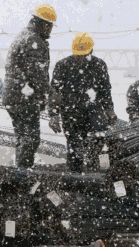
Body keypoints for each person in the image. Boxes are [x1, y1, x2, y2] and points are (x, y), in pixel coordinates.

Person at [48, 32, 117, 172]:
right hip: (71, 114)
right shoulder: (63, 66)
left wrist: (109, 110)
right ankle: (76, 176)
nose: (81, 59)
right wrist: (53, 114)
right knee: (75, 148)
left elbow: (105, 91)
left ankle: (102, 172)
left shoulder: (99, 65)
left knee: (100, 142)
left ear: (91, 51)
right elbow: (55, 93)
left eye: (84, 55)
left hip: (94, 112)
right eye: (78, 55)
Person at [3, 4, 55, 168]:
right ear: (43, 23)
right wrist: (50, 93)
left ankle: (21, 170)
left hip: (15, 96)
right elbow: (37, 73)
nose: (51, 30)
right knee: (30, 138)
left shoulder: (25, 36)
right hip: (24, 97)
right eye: (50, 25)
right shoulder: (34, 40)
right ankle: (23, 172)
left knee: (23, 136)